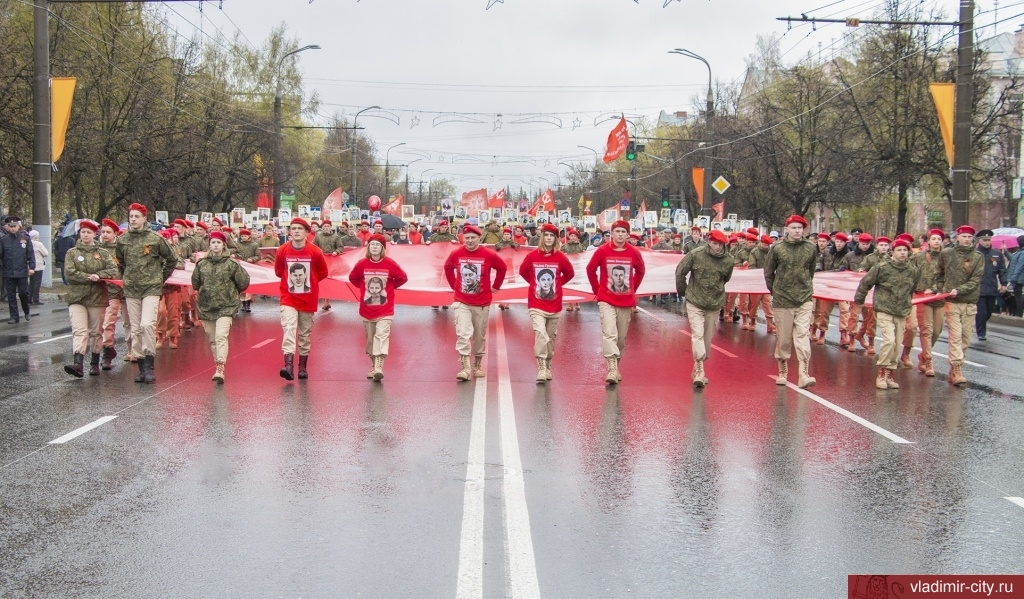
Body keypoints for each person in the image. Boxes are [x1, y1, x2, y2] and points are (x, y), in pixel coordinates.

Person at [115, 203, 177, 384]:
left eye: (136, 216)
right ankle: (141, 368)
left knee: (147, 324)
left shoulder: (155, 239)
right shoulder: (123, 240)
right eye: (131, 216)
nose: (133, 220)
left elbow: (172, 259)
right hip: (132, 289)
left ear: (144, 219)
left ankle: (150, 365)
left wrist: (160, 278)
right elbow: (119, 262)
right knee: (135, 328)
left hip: (151, 288)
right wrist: (126, 278)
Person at [854, 238, 921, 390]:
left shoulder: (912, 270)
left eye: (905, 250)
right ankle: (881, 373)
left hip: (901, 310)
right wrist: (859, 299)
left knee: (897, 344)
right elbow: (866, 282)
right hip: (884, 308)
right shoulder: (882, 267)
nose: (903, 253)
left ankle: (891, 374)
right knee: (889, 341)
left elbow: (913, 289)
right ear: (893, 252)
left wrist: (907, 303)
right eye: (899, 250)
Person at [443, 224, 507, 381]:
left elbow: (502, 268)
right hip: (461, 301)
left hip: (482, 302)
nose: (470, 241)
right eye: (467, 238)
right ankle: (465, 368)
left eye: (473, 238)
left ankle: (477, 365)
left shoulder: (488, 254)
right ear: (462, 239)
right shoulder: (456, 253)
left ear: (479, 238)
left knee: (479, 335)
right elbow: (447, 267)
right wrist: (454, 285)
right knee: (463, 334)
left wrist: (496, 287)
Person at [586, 219, 645, 384]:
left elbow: (640, 271)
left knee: (620, 338)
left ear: (627, 234)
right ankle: (611, 368)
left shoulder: (633, 252)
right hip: (606, 299)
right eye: (617, 231)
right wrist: (596, 289)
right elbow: (591, 269)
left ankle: (616, 365)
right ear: (611, 234)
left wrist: (633, 288)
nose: (620, 235)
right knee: (609, 333)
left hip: (625, 301)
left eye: (623, 232)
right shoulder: (603, 250)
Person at [764, 214, 818, 388]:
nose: (797, 231)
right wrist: (776, 291)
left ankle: (803, 373)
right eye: (793, 228)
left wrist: (806, 287)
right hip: (783, 299)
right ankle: (783, 370)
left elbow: (811, 270)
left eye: (800, 228)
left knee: (803, 335)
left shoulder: (810, 247)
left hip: (804, 298)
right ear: (786, 229)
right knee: (784, 338)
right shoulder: (777, 248)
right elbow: (768, 272)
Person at [675, 228, 733, 388]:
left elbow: (726, 278)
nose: (718, 247)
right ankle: (700, 371)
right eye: (715, 243)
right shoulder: (696, 254)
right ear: (709, 242)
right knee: (697, 334)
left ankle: (698, 365)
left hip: (714, 304)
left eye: (721, 244)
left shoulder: (728, 260)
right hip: (695, 300)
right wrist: (683, 291)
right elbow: (680, 272)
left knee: (707, 339)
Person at [191, 231, 250, 383]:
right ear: (209, 245)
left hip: (226, 307)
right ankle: (218, 364)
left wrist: (232, 293)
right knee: (212, 339)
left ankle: (220, 367)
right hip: (207, 307)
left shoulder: (231, 264)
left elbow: (243, 282)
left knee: (220, 336)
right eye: (213, 242)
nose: (215, 245)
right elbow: (195, 283)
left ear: (223, 245)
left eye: (218, 243)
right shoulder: (201, 264)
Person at [518, 223, 574, 383]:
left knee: (550, 337)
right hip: (536, 304)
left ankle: (548, 365)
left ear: (556, 239)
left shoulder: (560, 257)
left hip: (554, 304)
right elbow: (523, 271)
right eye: (546, 236)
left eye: (552, 236)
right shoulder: (533, 256)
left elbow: (570, 273)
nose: (549, 239)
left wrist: (557, 284)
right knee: (540, 334)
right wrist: (534, 283)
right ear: (542, 237)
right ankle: (541, 367)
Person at [62, 220, 119, 377]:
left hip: (97, 297)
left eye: (89, 232)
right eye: (83, 232)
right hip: (77, 297)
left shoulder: (102, 253)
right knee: (79, 330)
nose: (85, 235)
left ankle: (94, 362)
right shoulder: (72, 253)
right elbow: (70, 273)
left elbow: (113, 270)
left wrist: (99, 275)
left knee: (95, 332)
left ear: (95, 234)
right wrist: (89, 277)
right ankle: (78, 363)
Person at [274, 217, 329, 381]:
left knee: (304, 334)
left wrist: (309, 281)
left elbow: (323, 272)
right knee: (289, 328)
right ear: (290, 232)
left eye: (299, 228)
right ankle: (288, 366)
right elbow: (278, 272)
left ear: (306, 232)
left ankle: (302, 367)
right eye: (293, 228)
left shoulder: (315, 251)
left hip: (307, 298)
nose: (296, 231)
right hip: (288, 297)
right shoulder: (282, 250)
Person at [930, 225, 984, 386]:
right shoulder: (947, 253)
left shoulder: (978, 257)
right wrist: (942, 290)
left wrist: (959, 290)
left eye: (969, 237)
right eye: (964, 236)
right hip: (952, 302)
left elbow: (976, 280)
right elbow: (938, 273)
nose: (967, 239)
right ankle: (957, 368)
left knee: (966, 338)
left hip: (969, 302)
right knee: (955, 335)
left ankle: (956, 368)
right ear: (957, 237)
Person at [349, 233, 408, 380]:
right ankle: (373, 365)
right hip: (366, 309)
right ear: (368, 247)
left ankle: (378, 367)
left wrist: (390, 287)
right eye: (372, 245)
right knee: (370, 340)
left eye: (377, 245)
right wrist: (363, 288)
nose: (374, 247)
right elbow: (353, 278)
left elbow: (402, 277)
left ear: (382, 248)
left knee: (381, 336)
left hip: (385, 309)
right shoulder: (362, 264)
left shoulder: (390, 263)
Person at [910, 229, 946, 376]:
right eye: (934, 239)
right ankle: (928, 361)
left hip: (939, 297)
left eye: (939, 239)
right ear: (928, 241)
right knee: (927, 330)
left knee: (937, 331)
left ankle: (924, 355)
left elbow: (950, 276)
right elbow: (908, 270)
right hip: (923, 297)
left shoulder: (947, 257)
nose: (937, 241)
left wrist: (938, 289)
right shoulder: (919, 257)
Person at [98, 219, 130, 368]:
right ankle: (108, 350)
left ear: (115, 233)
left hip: (120, 291)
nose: (105, 235)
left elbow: (129, 268)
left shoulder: (122, 248)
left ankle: (132, 350)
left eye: (108, 232)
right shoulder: (96, 249)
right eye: (103, 232)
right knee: (104, 323)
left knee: (126, 322)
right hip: (101, 292)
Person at [814, 232, 851, 345]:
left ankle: (843, 334)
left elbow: (844, 269)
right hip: (828, 286)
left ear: (845, 243)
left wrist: (832, 273)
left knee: (844, 311)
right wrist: (819, 270)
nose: (839, 244)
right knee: (824, 311)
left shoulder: (848, 255)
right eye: (837, 241)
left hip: (842, 286)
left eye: (841, 242)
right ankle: (822, 333)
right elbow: (819, 263)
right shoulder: (827, 252)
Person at [0, 216, 36, 324]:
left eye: (14, 226)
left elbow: (30, 253)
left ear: (18, 226)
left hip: (21, 271)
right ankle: (14, 316)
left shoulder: (25, 238)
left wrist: (32, 267)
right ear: (7, 227)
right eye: (10, 226)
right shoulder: (3, 240)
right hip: (8, 272)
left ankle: (26, 310)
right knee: (11, 295)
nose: (13, 228)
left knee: (23, 293)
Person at [973, 229, 1007, 341]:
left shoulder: (996, 254)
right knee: (981, 312)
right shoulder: (975, 253)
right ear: (979, 240)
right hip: (979, 288)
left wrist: (1003, 284)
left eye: (988, 240)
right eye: (984, 240)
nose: (987, 242)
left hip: (992, 287)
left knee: (989, 312)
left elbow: (1002, 270)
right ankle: (981, 332)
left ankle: (979, 324)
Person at [747, 234, 776, 333]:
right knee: (754, 304)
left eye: (768, 244)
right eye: (764, 244)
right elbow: (751, 266)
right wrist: (758, 275)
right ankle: (752, 321)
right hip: (756, 281)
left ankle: (770, 324)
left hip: (767, 281)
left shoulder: (771, 253)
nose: (766, 246)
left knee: (767, 303)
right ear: (761, 243)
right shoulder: (754, 252)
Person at [27, 230, 47, 305]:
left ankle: (29, 298)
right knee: (37, 283)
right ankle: (36, 299)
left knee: (31, 282)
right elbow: (46, 253)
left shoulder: (28, 243)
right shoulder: (39, 244)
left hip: (30, 266)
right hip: (38, 265)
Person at [1008, 234, 1024, 317]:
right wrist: (1006, 252)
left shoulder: (1022, 253)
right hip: (1017, 278)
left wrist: (1013, 278)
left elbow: (1019, 267)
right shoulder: (1020, 252)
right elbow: (1013, 259)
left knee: (1018, 296)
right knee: (1017, 295)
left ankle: (1019, 313)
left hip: (1019, 278)